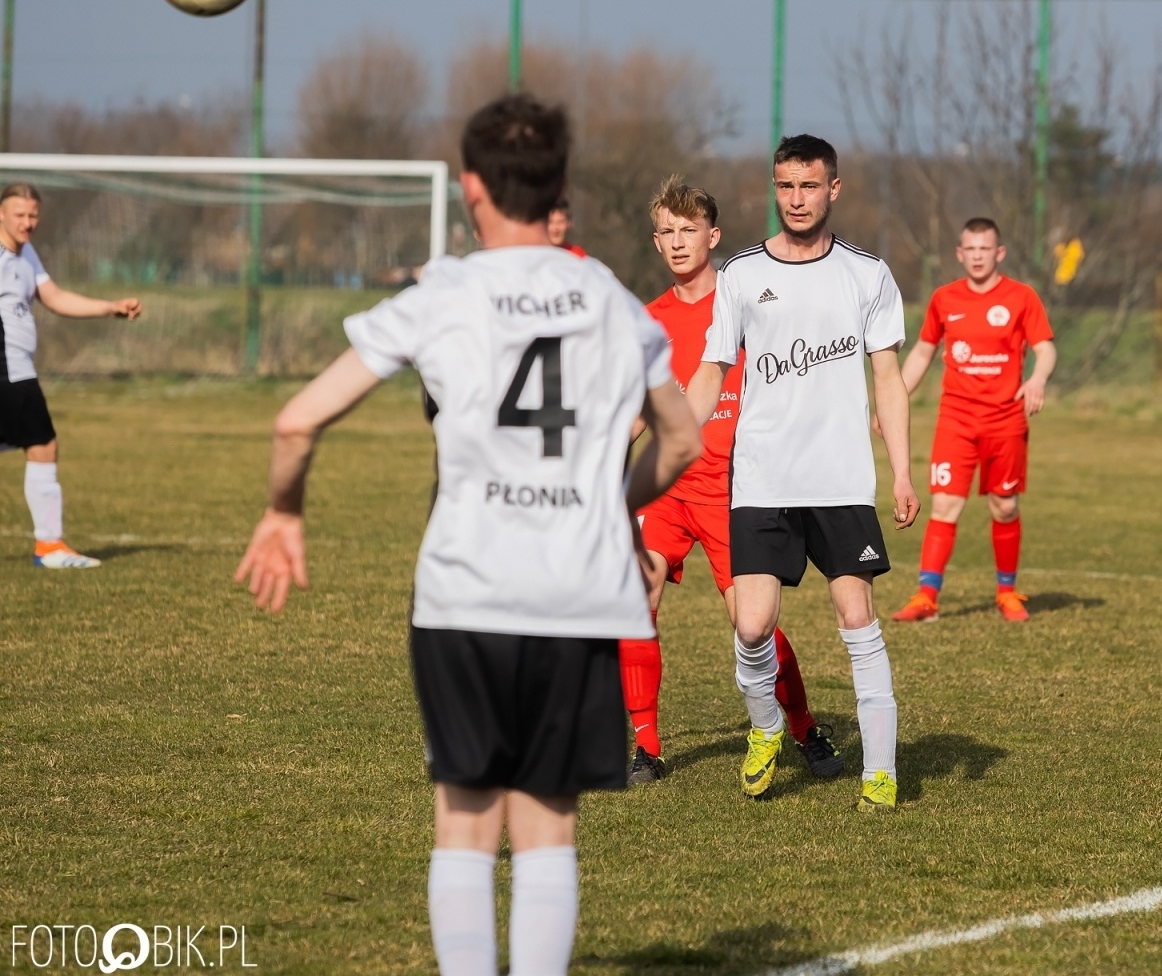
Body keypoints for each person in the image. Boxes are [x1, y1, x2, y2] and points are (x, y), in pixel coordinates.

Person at [233, 94, 702, 976]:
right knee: (548, 826)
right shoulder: (611, 300)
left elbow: (296, 421)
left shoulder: (444, 292)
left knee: (465, 821)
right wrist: (613, 509)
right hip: (577, 592)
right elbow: (681, 442)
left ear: (472, 187)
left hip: (463, 593)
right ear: (559, 186)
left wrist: (284, 512)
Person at [685, 134, 919, 813]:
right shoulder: (740, 274)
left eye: (809, 186)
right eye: (785, 186)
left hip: (840, 480)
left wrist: (903, 471)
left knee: (857, 615)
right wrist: (675, 437)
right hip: (763, 479)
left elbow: (888, 378)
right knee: (752, 626)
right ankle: (766, 728)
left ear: (833, 189)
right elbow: (711, 370)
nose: (796, 199)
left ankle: (880, 772)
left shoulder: (866, 274)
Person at [623, 176, 843, 786]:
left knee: (753, 624)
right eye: (666, 232)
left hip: (736, 489)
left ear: (713, 236)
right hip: (669, 489)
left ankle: (802, 726)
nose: (677, 242)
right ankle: (646, 747)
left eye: (688, 230)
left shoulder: (747, 301)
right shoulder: (649, 321)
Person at [890, 218, 1056, 624]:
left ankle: (1007, 593)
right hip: (957, 420)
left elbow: (1046, 348)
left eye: (985, 249)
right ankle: (926, 598)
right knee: (944, 504)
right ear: (960, 254)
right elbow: (922, 352)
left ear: (999, 253)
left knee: (1004, 506)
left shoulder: (1021, 297)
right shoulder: (944, 298)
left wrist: (1037, 378)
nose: (978, 256)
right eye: (971, 249)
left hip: (1006, 420)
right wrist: (895, 398)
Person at [0, 183, 142, 569]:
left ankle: (50, 546)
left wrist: (109, 307)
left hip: (17, 370)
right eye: (19, 215)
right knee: (42, 445)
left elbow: (55, 297)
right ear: (1, 214)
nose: (27, 222)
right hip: (8, 370)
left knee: (40, 445)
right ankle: (49, 547)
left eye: (33, 215)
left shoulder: (27, 253)